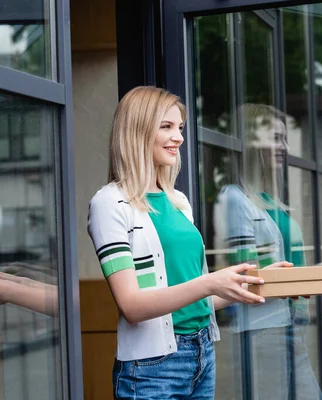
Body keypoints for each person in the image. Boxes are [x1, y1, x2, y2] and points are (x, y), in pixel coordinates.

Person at [87, 86, 291, 399]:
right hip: (151, 369)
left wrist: (259, 282)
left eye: (180, 128)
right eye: (166, 127)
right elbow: (132, 305)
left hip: (201, 354)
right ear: (137, 131)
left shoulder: (179, 201)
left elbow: (196, 300)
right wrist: (210, 282)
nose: (179, 137)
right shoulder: (110, 203)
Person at [213, 103, 322, 399]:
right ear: (250, 143)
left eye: (284, 138)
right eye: (275, 138)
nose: (284, 147)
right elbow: (245, 276)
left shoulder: (270, 201)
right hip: (265, 331)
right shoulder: (236, 199)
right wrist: (309, 280)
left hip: (291, 326)